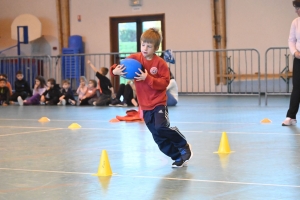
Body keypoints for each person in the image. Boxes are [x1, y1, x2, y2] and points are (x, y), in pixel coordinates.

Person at [111, 28, 192, 168]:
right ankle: (178, 156)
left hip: (158, 103)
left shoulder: (159, 63)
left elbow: (164, 83)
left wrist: (147, 78)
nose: (145, 48)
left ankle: (183, 144)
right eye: (143, 44)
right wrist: (115, 71)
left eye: (149, 46)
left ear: (155, 48)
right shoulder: (135, 58)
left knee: (161, 128)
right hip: (145, 105)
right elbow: (120, 66)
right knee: (157, 137)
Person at [283, 0, 300, 126]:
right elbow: (291, 40)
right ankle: (291, 116)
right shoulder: (295, 22)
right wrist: (295, 52)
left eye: (297, 8)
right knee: (297, 87)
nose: (296, 11)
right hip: (299, 59)